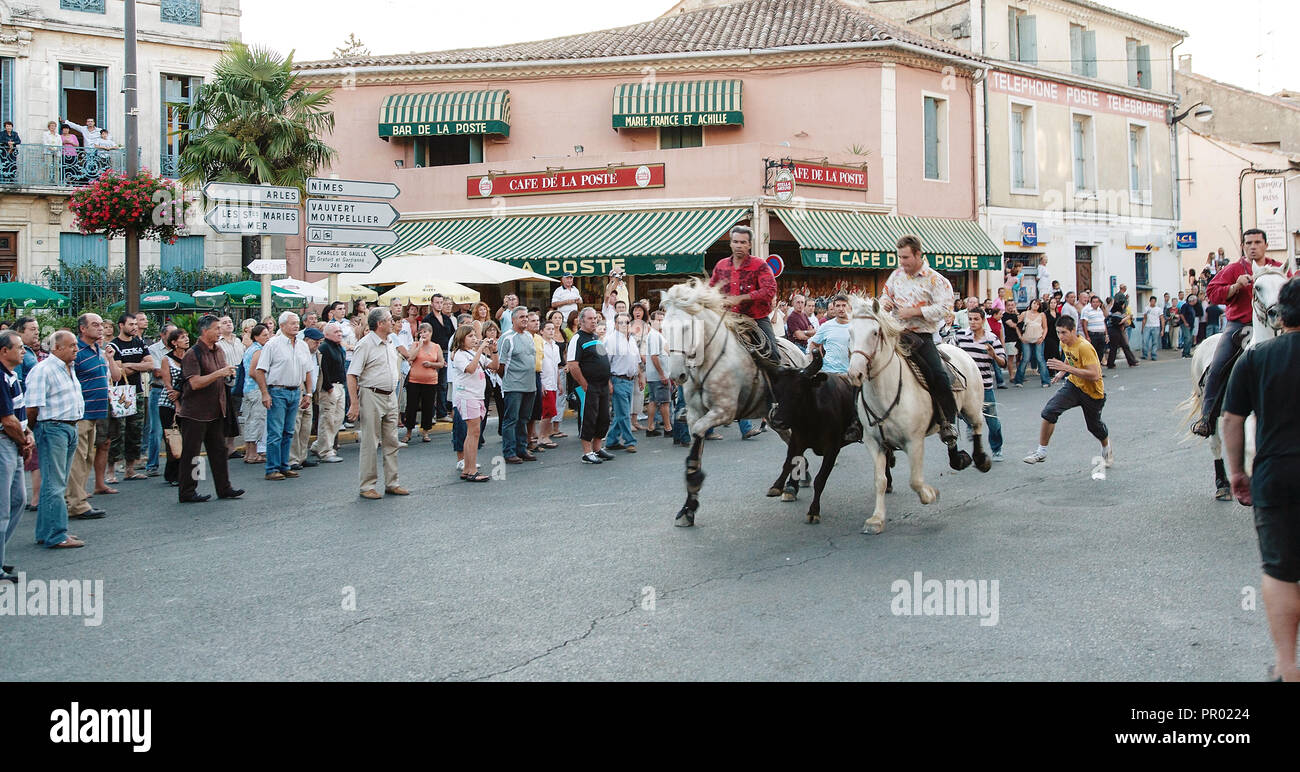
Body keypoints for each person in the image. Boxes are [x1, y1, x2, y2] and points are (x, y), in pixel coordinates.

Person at [1222, 275, 1300, 682]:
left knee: (1280, 570)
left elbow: (1232, 418)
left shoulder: (1256, 358)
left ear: (1281, 314)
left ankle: (1288, 666)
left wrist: (1236, 472)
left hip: (1276, 477)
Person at [1194, 229, 1282, 437]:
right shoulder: (1234, 269)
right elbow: (1212, 293)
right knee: (1217, 365)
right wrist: (1234, 286)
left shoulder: (1277, 268)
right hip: (1239, 326)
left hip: (1275, 324)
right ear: (1243, 246)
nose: (1253, 246)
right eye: (1248, 243)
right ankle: (1207, 417)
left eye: (1257, 242)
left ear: (1266, 245)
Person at [880, 234, 959, 444]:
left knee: (938, 374)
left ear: (918, 254)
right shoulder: (896, 275)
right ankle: (859, 420)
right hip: (894, 333)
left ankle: (947, 421)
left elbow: (945, 308)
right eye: (900, 257)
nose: (902, 262)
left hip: (921, 337)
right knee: (866, 364)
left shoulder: (936, 280)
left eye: (905, 257)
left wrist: (916, 312)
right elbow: (885, 295)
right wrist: (885, 303)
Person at [1023, 315, 1112, 466]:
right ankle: (1041, 451)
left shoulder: (1084, 347)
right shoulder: (1064, 343)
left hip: (1092, 392)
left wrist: (1066, 368)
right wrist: (1062, 372)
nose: (1060, 336)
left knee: (1094, 427)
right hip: (1073, 385)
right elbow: (1069, 358)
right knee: (1049, 411)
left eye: (1064, 332)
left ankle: (1106, 447)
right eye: (1058, 332)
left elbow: (1095, 374)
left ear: (1073, 331)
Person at [26, 331, 84, 549]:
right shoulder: (44, 370)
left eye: (76, 345)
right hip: (53, 427)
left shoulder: (68, 367)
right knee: (55, 484)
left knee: (56, 482)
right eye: (71, 346)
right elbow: (32, 406)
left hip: (68, 426)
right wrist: (29, 433)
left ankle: (46, 530)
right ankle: (56, 534)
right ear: (57, 348)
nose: (76, 349)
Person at [177, 315, 243, 504]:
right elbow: (195, 383)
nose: (219, 331)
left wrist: (228, 375)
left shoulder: (219, 350)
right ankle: (188, 491)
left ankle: (224, 488)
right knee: (193, 454)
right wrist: (219, 374)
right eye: (216, 328)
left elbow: (222, 375)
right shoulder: (193, 353)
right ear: (205, 331)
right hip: (195, 413)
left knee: (219, 452)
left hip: (216, 411)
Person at [347, 307, 407, 499]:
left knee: (391, 441)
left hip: (389, 395)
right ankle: (367, 485)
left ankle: (392, 482)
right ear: (380, 324)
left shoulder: (390, 341)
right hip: (371, 394)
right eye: (390, 319)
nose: (393, 322)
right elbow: (352, 374)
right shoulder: (365, 344)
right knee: (370, 442)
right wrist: (354, 403)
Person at [66, 314, 118, 521]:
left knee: (87, 457)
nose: (101, 329)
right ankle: (76, 504)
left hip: (97, 412)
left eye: (102, 325)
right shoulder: (76, 351)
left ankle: (78, 498)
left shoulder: (99, 350)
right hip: (81, 413)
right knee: (77, 460)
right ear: (82, 329)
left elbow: (111, 377)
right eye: (95, 325)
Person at [708, 225, 780, 363]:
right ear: (730, 243)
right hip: (726, 318)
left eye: (743, 242)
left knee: (773, 355)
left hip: (756, 319)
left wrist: (741, 298)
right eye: (735, 242)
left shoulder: (760, 265)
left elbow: (770, 290)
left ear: (749, 245)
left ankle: (776, 382)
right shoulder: (721, 265)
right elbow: (711, 289)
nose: (739, 246)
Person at [253, 311, 310, 481]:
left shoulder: (302, 345)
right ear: (282, 325)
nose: (296, 325)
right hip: (277, 390)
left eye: (297, 322)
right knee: (275, 432)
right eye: (292, 323)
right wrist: (265, 393)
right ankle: (272, 468)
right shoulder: (273, 344)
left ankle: (285, 465)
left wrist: (308, 393)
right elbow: (260, 370)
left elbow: (308, 371)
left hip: (295, 391)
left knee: (288, 431)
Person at [0, 331, 33, 580]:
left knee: (18, 499)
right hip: (5, 442)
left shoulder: (12, 375)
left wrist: (27, 433)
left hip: (15, 441)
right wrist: (23, 440)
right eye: (19, 347)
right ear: (4, 351)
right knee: (2, 507)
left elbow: (18, 415)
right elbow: (7, 420)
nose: (23, 351)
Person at [105, 313, 152, 482]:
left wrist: (129, 365)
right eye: (131, 324)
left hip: (137, 392)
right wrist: (138, 366)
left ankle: (130, 469)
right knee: (118, 431)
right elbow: (117, 372)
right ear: (121, 325)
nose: (134, 327)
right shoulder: (113, 345)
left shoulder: (139, 343)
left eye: (135, 324)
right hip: (121, 393)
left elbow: (150, 364)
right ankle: (110, 471)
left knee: (135, 431)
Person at [954, 308, 1005, 461]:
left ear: (983, 320)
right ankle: (971, 424)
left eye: (976, 319)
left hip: (984, 386)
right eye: (970, 319)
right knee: (960, 412)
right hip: (965, 387)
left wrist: (993, 355)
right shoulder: (960, 336)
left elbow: (1002, 362)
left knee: (992, 421)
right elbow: (951, 354)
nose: (973, 322)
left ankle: (997, 449)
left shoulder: (992, 338)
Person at [450, 325, 495, 483]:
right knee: (473, 432)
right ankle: (470, 470)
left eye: (475, 336)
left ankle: (468, 468)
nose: (475, 339)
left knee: (474, 433)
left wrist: (493, 351)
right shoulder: (460, 355)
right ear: (461, 339)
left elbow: (494, 366)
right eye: (470, 336)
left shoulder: (473, 353)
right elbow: (470, 369)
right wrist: (480, 350)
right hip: (466, 395)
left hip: (477, 396)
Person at [568, 307, 613, 464]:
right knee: (588, 418)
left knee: (604, 418)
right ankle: (587, 453)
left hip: (602, 385)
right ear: (581, 321)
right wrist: (584, 384)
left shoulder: (595, 336)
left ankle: (597, 448)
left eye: (595, 318)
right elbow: (573, 365)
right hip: (587, 386)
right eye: (590, 319)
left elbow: (602, 361)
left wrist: (607, 381)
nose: (594, 321)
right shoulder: (577, 339)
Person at [496, 307, 537, 464]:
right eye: (521, 317)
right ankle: (509, 452)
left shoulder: (528, 335)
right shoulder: (507, 338)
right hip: (514, 386)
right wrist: (507, 380)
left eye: (526, 316)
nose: (525, 319)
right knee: (511, 419)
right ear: (513, 319)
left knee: (524, 419)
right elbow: (501, 365)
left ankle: (522, 448)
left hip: (530, 385)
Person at [603, 313, 640, 453]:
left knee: (621, 413)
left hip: (630, 380)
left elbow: (637, 360)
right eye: (621, 322)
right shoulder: (611, 340)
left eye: (627, 322)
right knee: (624, 413)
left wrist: (640, 377)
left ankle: (612, 441)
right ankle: (630, 441)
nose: (624, 325)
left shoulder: (631, 339)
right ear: (615, 324)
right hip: (617, 379)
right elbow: (605, 364)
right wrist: (609, 383)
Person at [288, 327, 323, 471]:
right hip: (300, 392)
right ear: (306, 340)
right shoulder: (299, 353)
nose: (318, 345)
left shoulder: (317, 354)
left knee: (306, 427)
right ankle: (292, 459)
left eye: (320, 342)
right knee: (296, 426)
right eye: (315, 342)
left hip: (311, 393)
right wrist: (303, 392)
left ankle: (302, 456)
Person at [156, 328, 188, 485]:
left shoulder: (189, 357)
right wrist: (176, 403)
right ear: (174, 343)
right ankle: (172, 474)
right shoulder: (166, 359)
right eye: (182, 338)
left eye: (187, 337)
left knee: (187, 438)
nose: (186, 340)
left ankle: (186, 472)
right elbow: (167, 383)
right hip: (168, 403)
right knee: (172, 437)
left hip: (186, 399)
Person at [312, 322, 347, 463]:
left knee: (338, 418)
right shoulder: (324, 348)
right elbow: (323, 369)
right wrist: (328, 386)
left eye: (340, 331)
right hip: (330, 387)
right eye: (336, 332)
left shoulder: (339, 347)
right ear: (326, 335)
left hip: (340, 386)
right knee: (328, 419)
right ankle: (325, 451)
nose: (339, 334)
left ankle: (318, 444)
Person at [403, 322, 442, 443]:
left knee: (428, 406)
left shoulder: (436, 347)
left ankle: (425, 432)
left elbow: (441, 363)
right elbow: (410, 357)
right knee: (411, 407)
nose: (424, 334)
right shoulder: (415, 344)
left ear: (431, 333)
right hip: (414, 380)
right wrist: (419, 345)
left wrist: (431, 364)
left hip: (430, 381)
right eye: (421, 332)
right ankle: (408, 432)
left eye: (426, 331)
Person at [423, 294, 457, 422]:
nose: (439, 305)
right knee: (431, 384)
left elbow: (453, 335)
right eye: (437, 302)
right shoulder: (428, 319)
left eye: (441, 302)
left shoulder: (446, 319)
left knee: (443, 384)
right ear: (432, 304)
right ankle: (430, 414)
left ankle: (441, 413)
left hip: (446, 352)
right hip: (433, 353)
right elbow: (425, 336)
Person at [239, 324, 270, 464]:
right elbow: (253, 371)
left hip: (248, 389)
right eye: (264, 335)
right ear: (256, 337)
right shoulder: (258, 350)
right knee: (256, 421)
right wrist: (264, 386)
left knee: (250, 420)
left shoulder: (250, 349)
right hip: (256, 390)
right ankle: (252, 454)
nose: (267, 337)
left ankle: (249, 452)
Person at [215, 316, 244, 456]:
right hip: (225, 382)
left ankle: (231, 447)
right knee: (225, 414)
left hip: (239, 382)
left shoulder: (238, 340)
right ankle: (222, 447)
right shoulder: (218, 344)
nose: (228, 324)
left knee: (235, 415)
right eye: (225, 322)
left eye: (230, 322)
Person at [808, 294, 852, 373]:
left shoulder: (855, 326)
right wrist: (817, 363)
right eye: (838, 306)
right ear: (834, 308)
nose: (841, 309)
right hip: (829, 372)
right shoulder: (826, 326)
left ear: (849, 307)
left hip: (849, 373)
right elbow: (814, 344)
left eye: (844, 305)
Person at [644, 310, 671, 437]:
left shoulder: (658, 334)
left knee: (653, 401)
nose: (661, 322)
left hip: (656, 374)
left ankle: (650, 427)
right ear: (651, 321)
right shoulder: (654, 335)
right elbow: (654, 356)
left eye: (662, 320)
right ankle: (668, 428)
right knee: (665, 402)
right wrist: (662, 374)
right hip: (658, 375)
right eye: (658, 320)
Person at [1015, 298, 1049, 387]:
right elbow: (1017, 326)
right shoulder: (1024, 314)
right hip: (1026, 339)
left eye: (1038, 304)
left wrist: (1042, 337)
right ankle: (1018, 380)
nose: (1036, 305)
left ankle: (1045, 381)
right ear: (1031, 304)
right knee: (1025, 358)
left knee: (1040, 359)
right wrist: (1020, 337)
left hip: (1038, 339)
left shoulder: (1042, 315)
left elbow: (1045, 327)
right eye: (1034, 303)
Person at [540, 321, 562, 443]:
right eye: (548, 329)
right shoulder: (540, 345)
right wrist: (541, 383)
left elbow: (556, 366)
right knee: (547, 412)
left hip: (553, 381)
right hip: (545, 381)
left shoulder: (556, 346)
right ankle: (542, 437)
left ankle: (546, 434)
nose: (551, 331)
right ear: (542, 331)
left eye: (552, 329)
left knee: (552, 411)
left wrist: (559, 383)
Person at [1104, 298, 1138, 369]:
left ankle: (1131, 361)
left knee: (1121, 347)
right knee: (1117, 347)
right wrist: (1127, 317)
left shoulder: (1111, 314)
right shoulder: (1116, 315)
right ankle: (1112, 364)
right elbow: (1118, 322)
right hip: (1115, 332)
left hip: (1115, 332)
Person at [1140, 296, 1163, 361]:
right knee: (1145, 341)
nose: (1153, 302)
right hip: (1147, 326)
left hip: (1156, 326)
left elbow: (1162, 319)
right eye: (1152, 301)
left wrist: (1162, 329)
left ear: (1155, 302)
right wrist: (1142, 328)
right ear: (1150, 301)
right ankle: (1145, 355)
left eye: (1154, 301)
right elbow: (1144, 318)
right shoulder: (1146, 308)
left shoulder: (1159, 309)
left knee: (1155, 342)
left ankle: (1154, 355)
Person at [1178, 293, 1201, 358]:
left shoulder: (1192, 307)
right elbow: (1182, 314)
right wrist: (1185, 322)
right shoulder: (1185, 306)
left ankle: (1188, 352)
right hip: (1185, 324)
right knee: (1187, 338)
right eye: (1195, 300)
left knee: (1190, 338)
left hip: (1190, 325)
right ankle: (1185, 353)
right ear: (1192, 301)